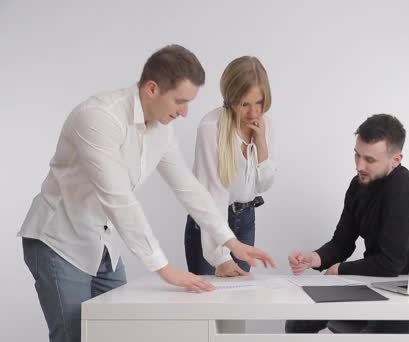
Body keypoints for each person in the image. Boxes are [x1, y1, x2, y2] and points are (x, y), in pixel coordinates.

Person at [18, 45, 276, 342]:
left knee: (119, 332)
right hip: (60, 242)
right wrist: (165, 268)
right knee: (74, 336)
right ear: (153, 89)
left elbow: (189, 188)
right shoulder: (98, 118)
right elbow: (118, 200)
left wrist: (230, 240)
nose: (184, 112)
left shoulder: (161, 129)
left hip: (104, 246)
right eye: (180, 101)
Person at [286, 114, 409, 334]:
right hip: (374, 284)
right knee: (298, 321)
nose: (360, 166)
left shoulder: (403, 190)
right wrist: (315, 258)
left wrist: (341, 269)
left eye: (370, 160)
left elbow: (391, 264)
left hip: (405, 294)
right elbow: (343, 241)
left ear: (396, 160)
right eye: (357, 155)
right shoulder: (358, 184)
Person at [184, 56, 276, 277]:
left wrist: (261, 143)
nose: (254, 113)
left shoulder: (264, 124)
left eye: (259, 103)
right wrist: (221, 257)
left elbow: (264, 185)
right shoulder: (211, 128)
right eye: (245, 104)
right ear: (231, 99)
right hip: (210, 224)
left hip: (245, 220)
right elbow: (211, 195)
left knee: (240, 303)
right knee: (208, 307)